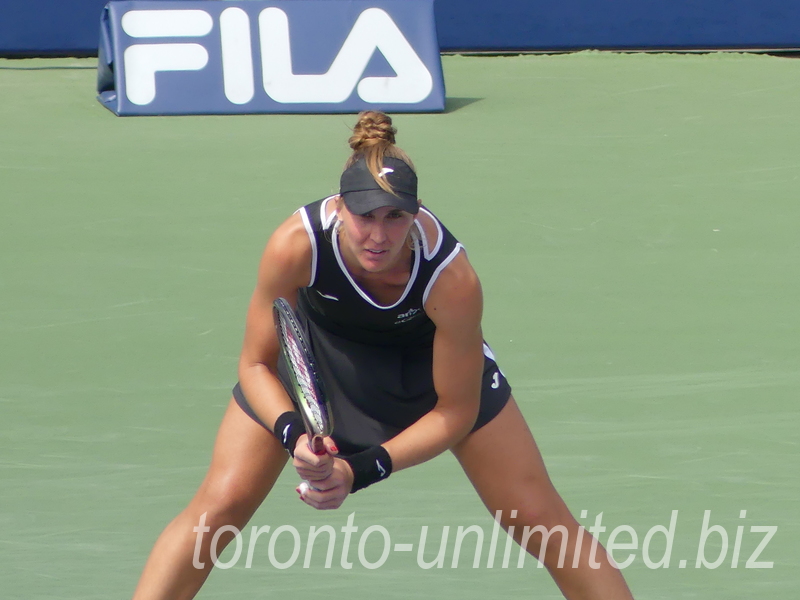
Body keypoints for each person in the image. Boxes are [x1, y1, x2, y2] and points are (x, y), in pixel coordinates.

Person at [132, 111, 635, 600]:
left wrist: (361, 469)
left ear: (415, 213)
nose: (378, 235)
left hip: (426, 366)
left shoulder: (452, 280)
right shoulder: (295, 246)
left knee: (539, 517)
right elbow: (257, 364)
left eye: (395, 217)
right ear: (341, 205)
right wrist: (292, 433)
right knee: (219, 506)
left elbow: (455, 411)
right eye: (365, 215)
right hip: (322, 356)